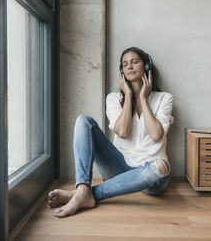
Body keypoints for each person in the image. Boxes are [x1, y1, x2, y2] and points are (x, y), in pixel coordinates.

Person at [48, 47, 174, 218]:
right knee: (83, 121)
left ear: (146, 66)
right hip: (119, 168)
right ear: (122, 71)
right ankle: (83, 188)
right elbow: (122, 131)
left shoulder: (164, 98)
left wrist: (143, 98)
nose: (129, 66)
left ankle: (82, 195)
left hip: (151, 175)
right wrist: (129, 96)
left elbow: (156, 135)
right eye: (125, 64)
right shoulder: (114, 98)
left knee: (159, 167)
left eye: (135, 62)